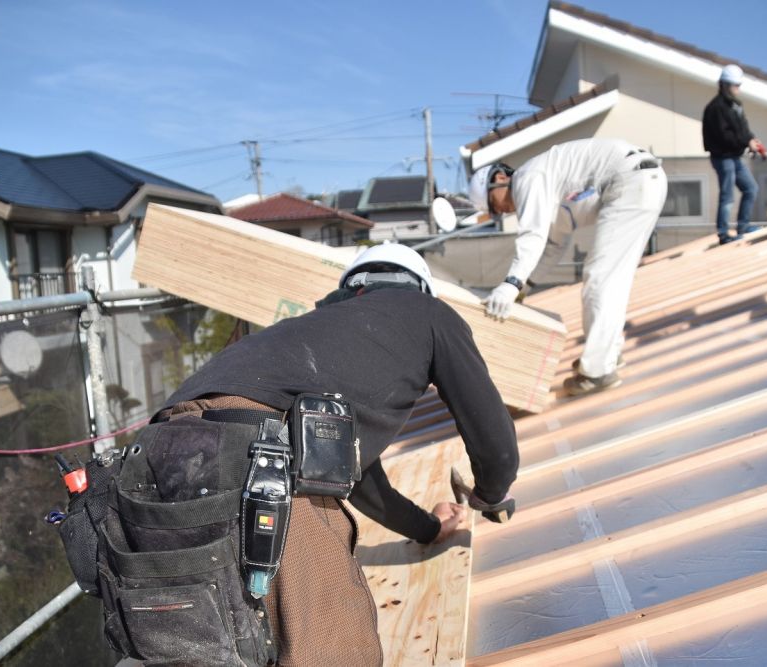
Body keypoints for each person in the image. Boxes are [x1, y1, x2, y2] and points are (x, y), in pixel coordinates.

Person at [119, 243, 519, 666]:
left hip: (153, 455)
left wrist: (426, 527)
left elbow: (359, 479)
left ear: (351, 291)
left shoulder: (307, 335)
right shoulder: (430, 313)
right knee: (333, 646)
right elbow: (492, 434)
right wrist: (489, 497)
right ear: (419, 287)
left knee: (210, 638)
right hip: (258, 448)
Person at [471, 138, 668, 397]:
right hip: (641, 182)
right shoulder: (552, 186)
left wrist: (511, 284)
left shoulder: (528, 177)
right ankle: (606, 355)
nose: (503, 211)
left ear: (499, 178)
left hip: (630, 182)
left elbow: (533, 235)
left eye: (496, 205)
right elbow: (553, 243)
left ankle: (598, 372)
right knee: (611, 278)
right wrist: (525, 287)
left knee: (601, 278)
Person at [702, 64, 766, 244]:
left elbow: (742, 129)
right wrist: (747, 142)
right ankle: (723, 234)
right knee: (727, 195)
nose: (737, 89)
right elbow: (725, 136)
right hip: (722, 157)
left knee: (750, 189)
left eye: (739, 85)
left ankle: (743, 227)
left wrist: (752, 140)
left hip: (734, 157)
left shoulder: (734, 106)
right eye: (734, 85)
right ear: (723, 85)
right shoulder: (716, 108)